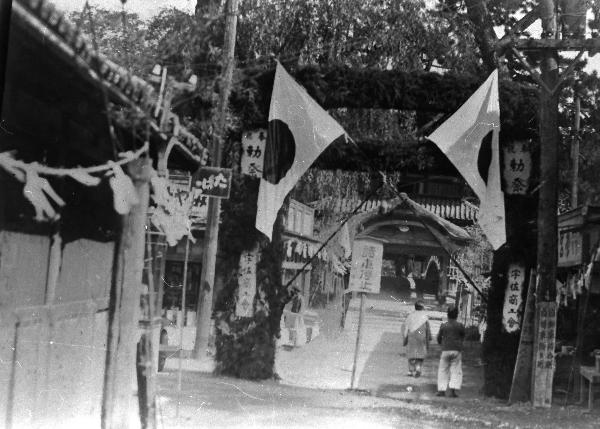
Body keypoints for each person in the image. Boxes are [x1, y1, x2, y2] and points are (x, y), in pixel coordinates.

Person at [436, 306, 466, 398]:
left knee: (443, 370)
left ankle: (441, 390)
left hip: (445, 350)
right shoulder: (460, 326)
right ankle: (453, 391)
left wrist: (441, 343)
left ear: (447, 315)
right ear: (457, 315)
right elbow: (463, 336)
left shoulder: (444, 325)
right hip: (456, 350)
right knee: (456, 370)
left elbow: (438, 337)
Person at [402, 300, 431, 377]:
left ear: (415, 307)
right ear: (422, 308)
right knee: (420, 354)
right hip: (421, 338)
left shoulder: (410, 316)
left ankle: (411, 370)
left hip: (412, 337)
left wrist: (405, 339)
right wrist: (429, 338)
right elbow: (428, 329)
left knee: (411, 354)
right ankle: (418, 367)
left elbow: (406, 328)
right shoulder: (425, 317)